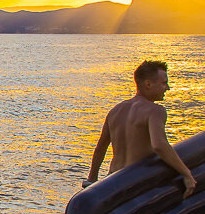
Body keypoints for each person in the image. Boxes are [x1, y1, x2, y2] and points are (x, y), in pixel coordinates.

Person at [84, 60, 196, 197]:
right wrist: (186, 173)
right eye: (164, 83)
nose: (168, 88)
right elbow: (159, 145)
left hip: (112, 181)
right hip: (135, 181)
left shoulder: (115, 111)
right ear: (148, 84)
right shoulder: (155, 111)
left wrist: (91, 180)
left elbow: (100, 148)